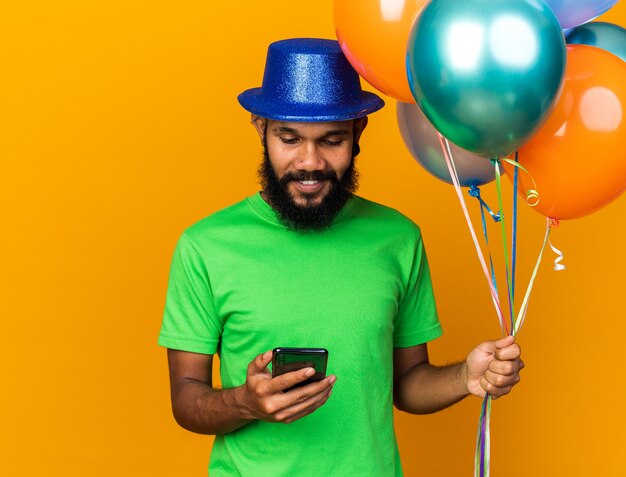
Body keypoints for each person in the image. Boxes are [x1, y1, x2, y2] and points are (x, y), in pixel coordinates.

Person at [158, 38, 523, 476]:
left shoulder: (397, 239)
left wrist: (467, 377)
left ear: (357, 133)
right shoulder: (206, 246)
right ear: (260, 128)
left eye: (331, 140)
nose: (309, 162)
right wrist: (246, 402)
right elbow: (185, 398)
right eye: (289, 138)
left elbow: (407, 384)